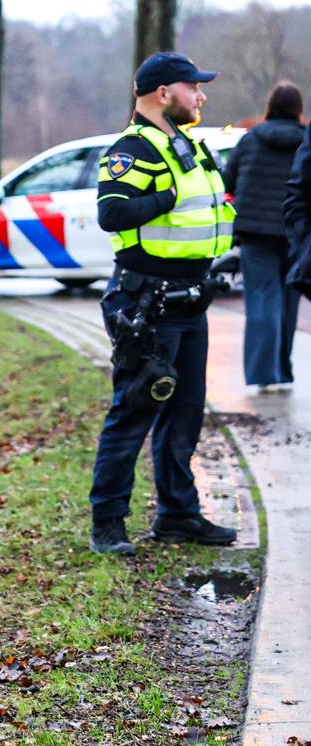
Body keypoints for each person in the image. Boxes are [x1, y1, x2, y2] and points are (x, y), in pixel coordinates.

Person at [88, 52, 239, 556]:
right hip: (148, 303)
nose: (201, 95)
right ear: (163, 93)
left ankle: (178, 515)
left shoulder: (186, 145)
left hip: (190, 299)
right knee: (134, 411)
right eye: (193, 87)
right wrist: (165, 198)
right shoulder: (134, 149)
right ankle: (108, 524)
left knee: (185, 414)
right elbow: (112, 213)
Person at [222, 82, 304, 393]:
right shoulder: (306, 141)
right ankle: (282, 371)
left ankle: (262, 372)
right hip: (295, 235)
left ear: (270, 107)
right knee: (288, 303)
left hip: (255, 233)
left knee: (262, 299)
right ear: (297, 109)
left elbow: (228, 181)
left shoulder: (250, 140)